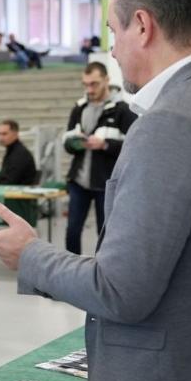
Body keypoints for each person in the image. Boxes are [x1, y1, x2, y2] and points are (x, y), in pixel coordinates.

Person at [0, 0, 191, 381]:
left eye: (113, 31)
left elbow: (121, 290)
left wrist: (31, 255)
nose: (113, 49)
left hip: (173, 380)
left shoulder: (171, 124)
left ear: (142, 25)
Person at [62, 62, 137, 255]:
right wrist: (74, 142)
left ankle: (102, 276)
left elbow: (136, 147)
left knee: (105, 233)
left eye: (94, 84)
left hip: (107, 183)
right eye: (85, 84)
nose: (89, 89)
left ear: (107, 80)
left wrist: (105, 144)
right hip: (79, 181)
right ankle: (71, 273)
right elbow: (67, 142)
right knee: (72, 231)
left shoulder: (123, 110)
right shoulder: (78, 108)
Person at [0, 119, 37, 185]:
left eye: (4, 134)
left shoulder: (20, 154)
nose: (1, 138)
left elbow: (10, 181)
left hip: (18, 193)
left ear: (15, 134)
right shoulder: (13, 151)